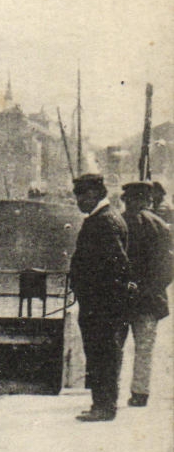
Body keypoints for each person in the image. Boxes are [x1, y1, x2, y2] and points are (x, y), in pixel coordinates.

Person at [69, 173, 134, 421]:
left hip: (102, 305)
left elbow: (118, 265)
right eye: (77, 196)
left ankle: (104, 407)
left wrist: (102, 298)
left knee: (103, 354)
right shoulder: (105, 219)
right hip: (100, 304)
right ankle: (101, 403)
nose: (79, 201)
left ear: (96, 194)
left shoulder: (104, 222)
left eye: (82, 196)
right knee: (101, 354)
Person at [122, 180, 172, 407]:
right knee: (144, 347)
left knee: (115, 346)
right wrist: (152, 288)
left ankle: (109, 391)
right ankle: (140, 393)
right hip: (150, 299)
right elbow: (168, 267)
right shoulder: (160, 226)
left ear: (127, 200)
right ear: (148, 200)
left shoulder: (117, 222)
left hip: (121, 296)